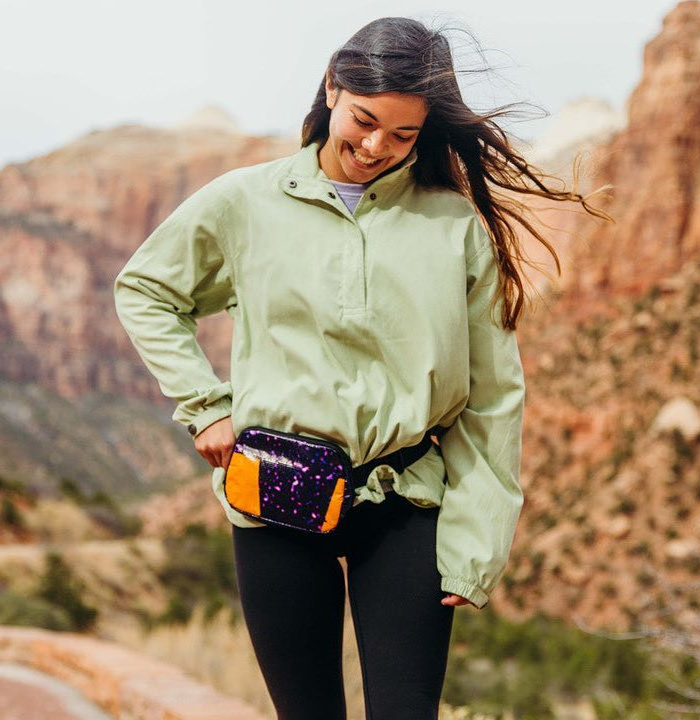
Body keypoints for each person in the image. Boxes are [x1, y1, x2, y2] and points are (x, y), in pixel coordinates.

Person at [114, 16, 603, 720]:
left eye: (403, 135)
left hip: (405, 506)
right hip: (277, 495)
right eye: (366, 120)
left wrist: (479, 540)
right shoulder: (244, 202)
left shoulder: (453, 225)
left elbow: (494, 397)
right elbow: (147, 290)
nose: (377, 147)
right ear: (332, 88)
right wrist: (205, 405)